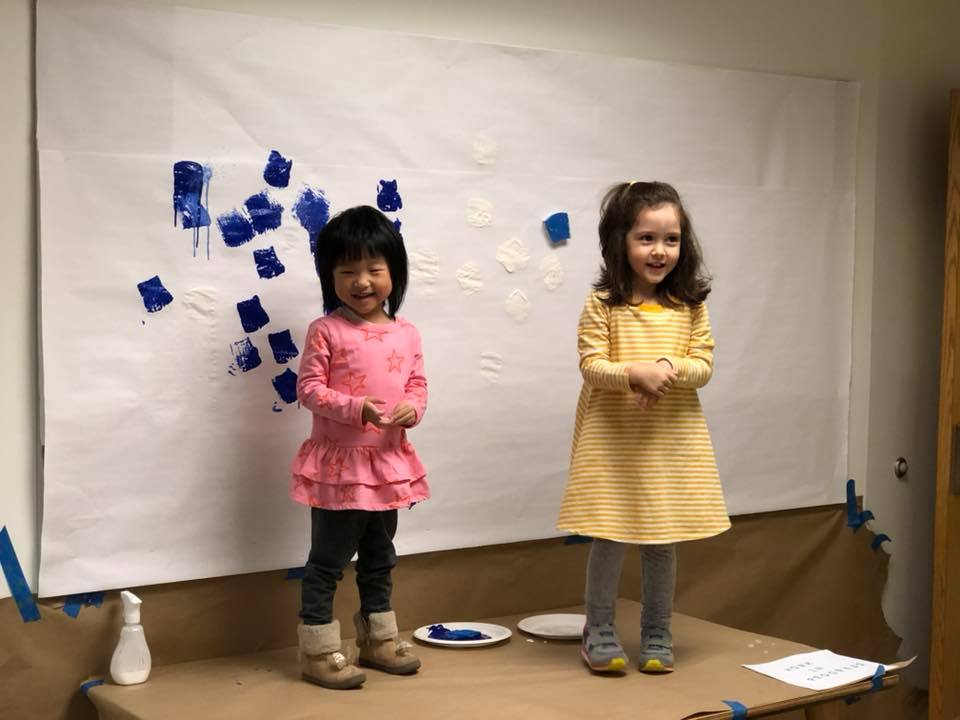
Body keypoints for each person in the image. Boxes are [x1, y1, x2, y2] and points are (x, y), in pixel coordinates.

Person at [557, 181, 730, 674]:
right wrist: (635, 374)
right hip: (614, 442)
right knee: (610, 537)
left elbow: (703, 365)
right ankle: (598, 628)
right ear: (620, 241)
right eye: (646, 238)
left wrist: (667, 368)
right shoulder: (603, 303)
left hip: (668, 445)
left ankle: (657, 630)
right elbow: (592, 365)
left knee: (661, 540)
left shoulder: (690, 305)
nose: (660, 251)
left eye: (671, 239)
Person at [291, 205, 428, 689]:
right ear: (330, 277)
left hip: (387, 465)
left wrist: (413, 407)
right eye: (347, 271)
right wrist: (355, 408)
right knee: (327, 562)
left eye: (374, 268)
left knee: (380, 556)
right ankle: (317, 649)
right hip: (340, 469)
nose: (362, 281)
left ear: (395, 271)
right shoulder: (326, 330)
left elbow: (417, 383)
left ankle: (378, 639)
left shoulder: (407, 332)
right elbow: (308, 390)